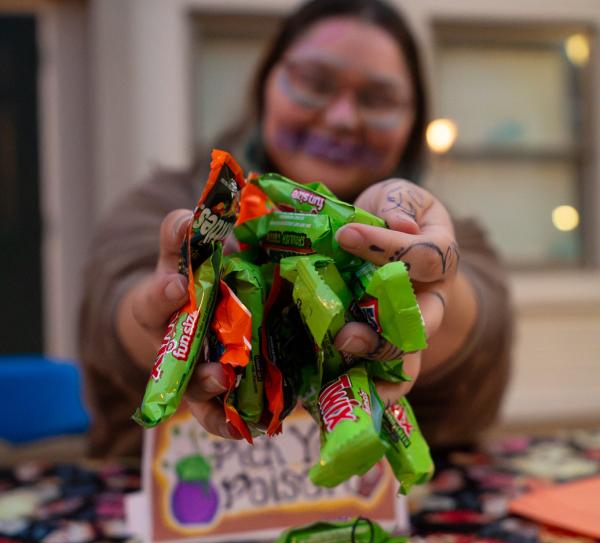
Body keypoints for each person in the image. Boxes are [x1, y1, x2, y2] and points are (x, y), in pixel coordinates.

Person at [79, 0, 512, 459]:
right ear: (265, 81)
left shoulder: (441, 227)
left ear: (412, 122)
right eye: (314, 83)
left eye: (378, 99)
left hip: (398, 518)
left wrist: (429, 283)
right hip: (172, 514)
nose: (343, 118)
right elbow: (112, 311)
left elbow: (486, 330)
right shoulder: (163, 202)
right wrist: (169, 317)